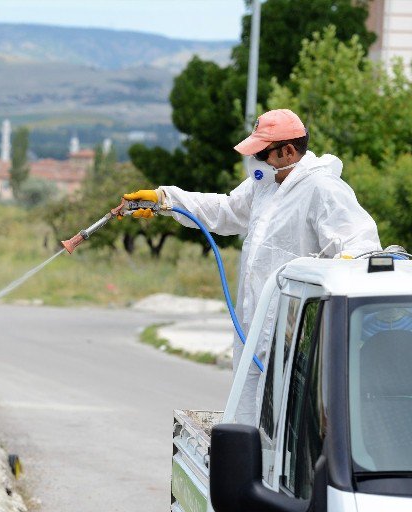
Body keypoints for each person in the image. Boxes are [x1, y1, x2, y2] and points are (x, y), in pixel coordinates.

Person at [115, 109, 381, 422]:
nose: (255, 161)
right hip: (253, 327)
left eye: (261, 153)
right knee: (247, 420)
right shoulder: (264, 186)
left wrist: (338, 268)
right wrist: (166, 199)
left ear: (288, 151)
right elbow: (225, 210)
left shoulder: (323, 189)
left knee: (283, 423)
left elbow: (362, 245)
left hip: (292, 335)